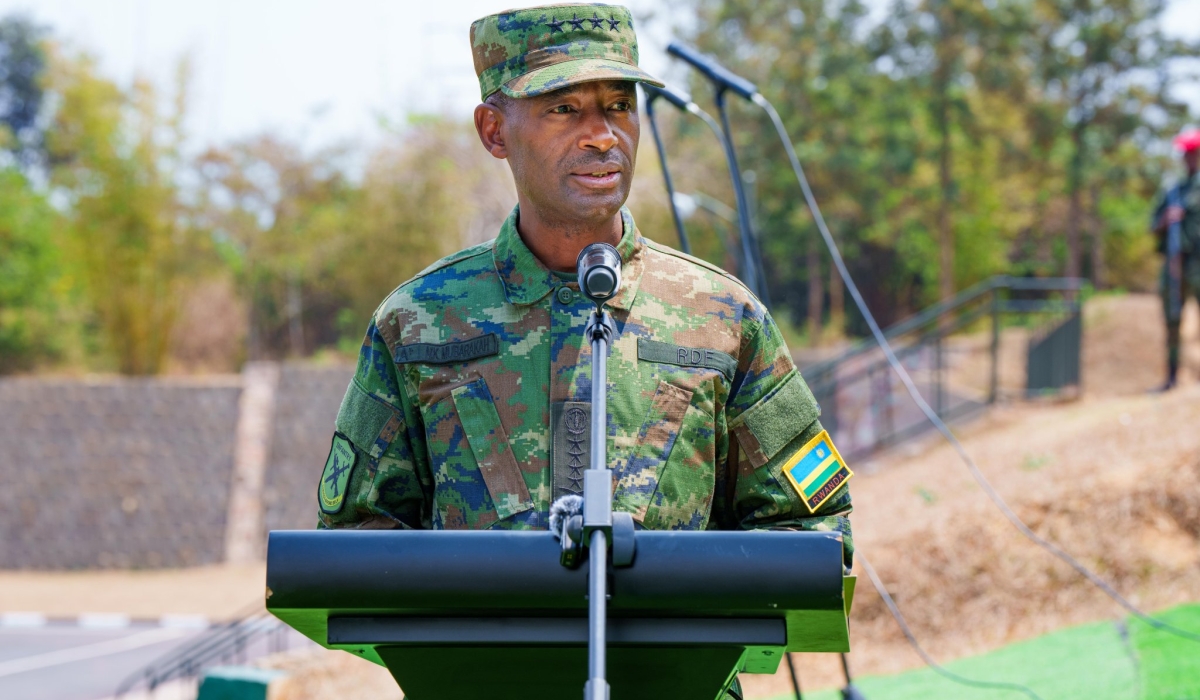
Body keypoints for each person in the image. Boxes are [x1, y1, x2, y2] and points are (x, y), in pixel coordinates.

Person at [316, 0, 851, 574]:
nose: (601, 136)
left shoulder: (723, 315)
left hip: (675, 662)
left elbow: (816, 532)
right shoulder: (418, 320)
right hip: (487, 663)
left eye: (619, 105)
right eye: (564, 109)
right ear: (494, 131)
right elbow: (350, 543)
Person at [1151, 129, 1200, 391]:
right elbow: (1152, 226)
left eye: (1194, 154)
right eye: (1187, 155)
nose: (1190, 159)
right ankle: (1172, 377)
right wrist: (1165, 219)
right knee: (1172, 321)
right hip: (1174, 265)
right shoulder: (1173, 191)